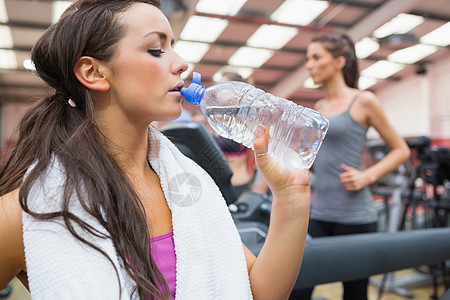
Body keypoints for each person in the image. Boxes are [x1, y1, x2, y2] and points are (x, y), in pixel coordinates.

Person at [0, 1, 310, 299]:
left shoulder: (190, 188)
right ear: (94, 73)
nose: (181, 63)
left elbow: (260, 293)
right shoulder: (32, 209)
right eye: (156, 49)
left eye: (173, 45)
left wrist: (292, 196)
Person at [291, 32, 411, 300]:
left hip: (356, 217)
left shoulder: (364, 100)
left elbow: (400, 149)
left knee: (355, 294)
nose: (309, 64)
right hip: (319, 213)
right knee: (298, 289)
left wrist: (367, 176)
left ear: (339, 62)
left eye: (316, 57)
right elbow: (317, 159)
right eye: (307, 58)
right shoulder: (320, 106)